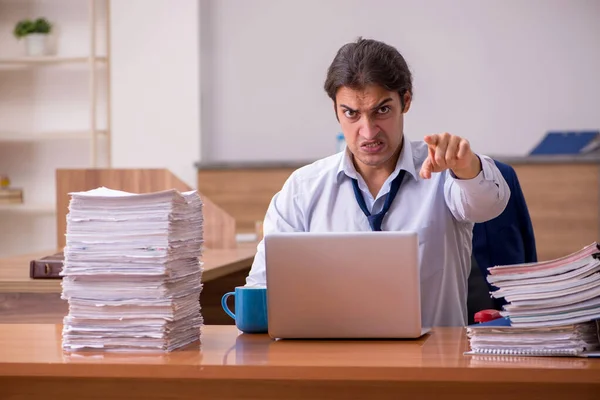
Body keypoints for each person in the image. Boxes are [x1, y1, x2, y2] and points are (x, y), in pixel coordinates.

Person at [245, 37, 510, 327]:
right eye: (351, 114)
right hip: (332, 360)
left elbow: (487, 205)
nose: (368, 131)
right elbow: (263, 286)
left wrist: (467, 167)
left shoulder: (445, 172)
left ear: (405, 101)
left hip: (434, 363)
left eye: (381, 110)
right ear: (336, 110)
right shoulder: (303, 189)